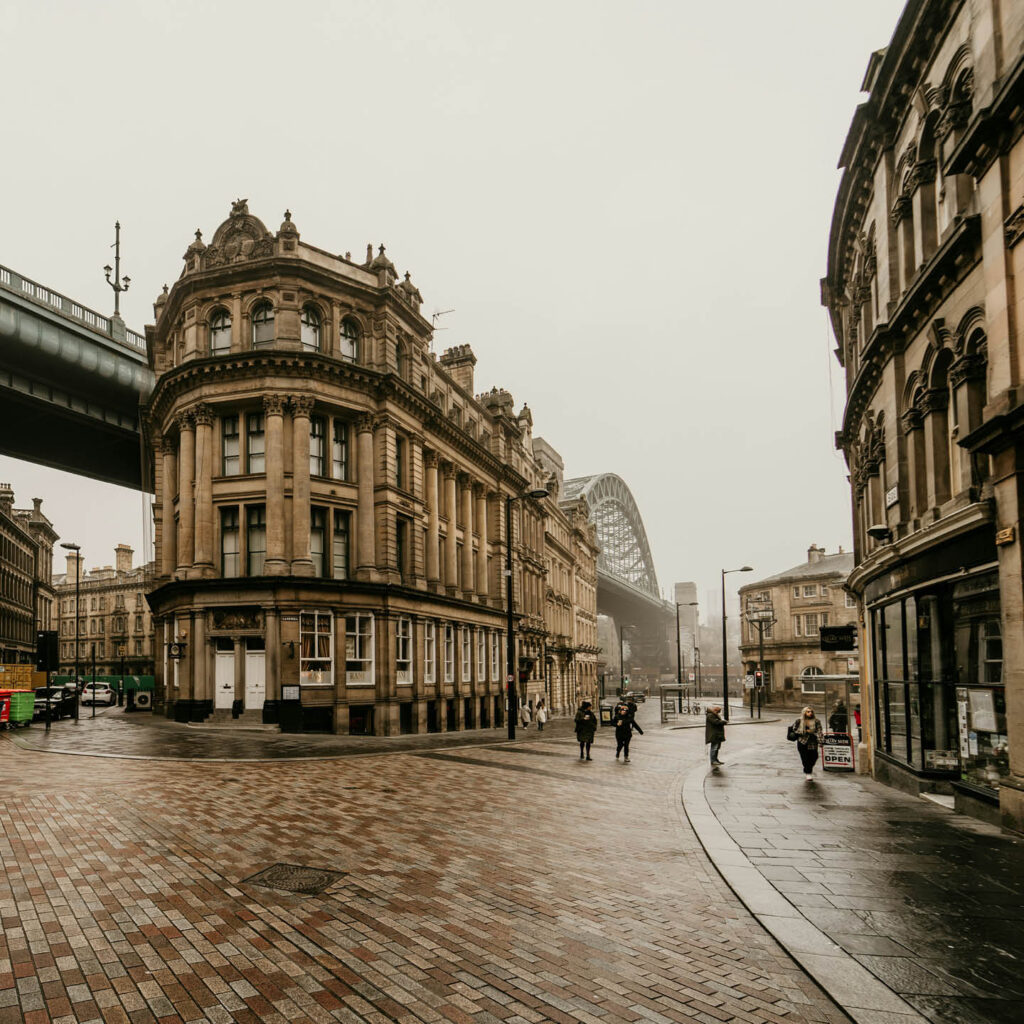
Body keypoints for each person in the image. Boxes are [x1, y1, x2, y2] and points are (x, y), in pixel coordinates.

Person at [791, 706, 824, 780]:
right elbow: (794, 729)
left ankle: (808, 769)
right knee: (805, 758)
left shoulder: (816, 721)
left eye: (811, 711)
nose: (810, 713)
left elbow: (819, 731)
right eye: (808, 711)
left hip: (813, 742)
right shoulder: (799, 721)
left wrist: (821, 741)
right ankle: (808, 773)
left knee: (814, 757)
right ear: (804, 712)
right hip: (802, 742)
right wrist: (804, 731)